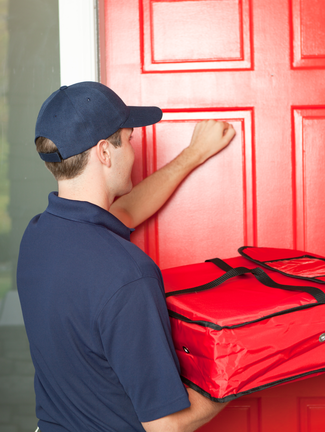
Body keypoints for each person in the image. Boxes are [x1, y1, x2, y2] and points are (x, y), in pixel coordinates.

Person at [17, 81, 236, 432]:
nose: (134, 151)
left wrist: (194, 154)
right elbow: (165, 425)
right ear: (105, 152)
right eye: (130, 140)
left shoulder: (39, 236)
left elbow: (126, 212)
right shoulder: (128, 274)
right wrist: (237, 377)